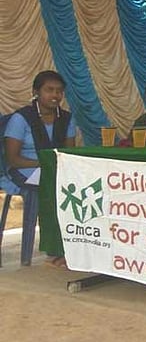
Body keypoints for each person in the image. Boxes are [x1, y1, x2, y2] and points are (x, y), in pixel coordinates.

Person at [4, 70, 77, 268]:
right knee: (43, 190)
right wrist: (45, 164)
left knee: (76, 190)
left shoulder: (66, 118)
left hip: (53, 169)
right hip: (24, 169)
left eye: (59, 91)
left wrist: (54, 167)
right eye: (49, 90)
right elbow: (13, 159)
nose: (55, 95)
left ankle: (73, 248)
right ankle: (53, 251)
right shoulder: (21, 118)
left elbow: (69, 154)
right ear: (36, 92)